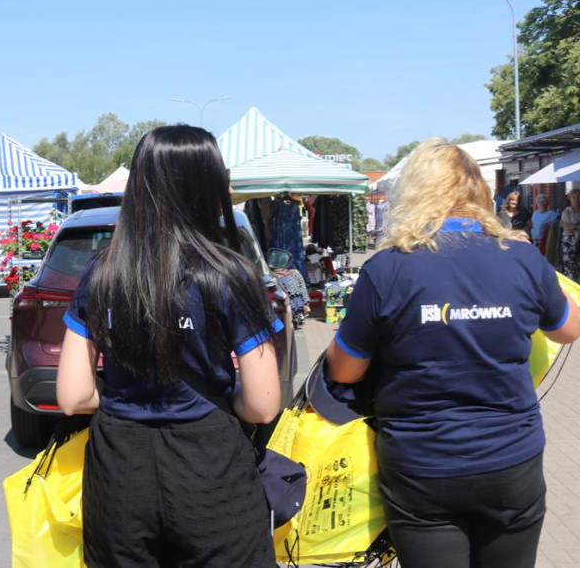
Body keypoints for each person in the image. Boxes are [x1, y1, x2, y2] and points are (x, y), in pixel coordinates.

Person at [325, 139, 580, 568]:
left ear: (414, 192)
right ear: (480, 192)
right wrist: (532, 276)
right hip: (511, 460)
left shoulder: (387, 268)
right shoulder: (522, 258)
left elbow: (346, 372)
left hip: (422, 467)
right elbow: (569, 330)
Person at [57, 124, 281, 568]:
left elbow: (73, 396)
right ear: (208, 183)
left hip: (119, 471)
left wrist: (124, 397)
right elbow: (263, 405)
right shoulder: (228, 274)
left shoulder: (102, 274)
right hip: (212, 466)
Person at [560, 189, 580, 281]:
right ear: (570, 199)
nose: (576, 199)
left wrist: (574, 227)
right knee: (570, 266)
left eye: (578, 197)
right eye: (574, 197)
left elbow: (573, 227)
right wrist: (576, 227)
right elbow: (568, 227)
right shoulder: (566, 212)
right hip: (569, 242)